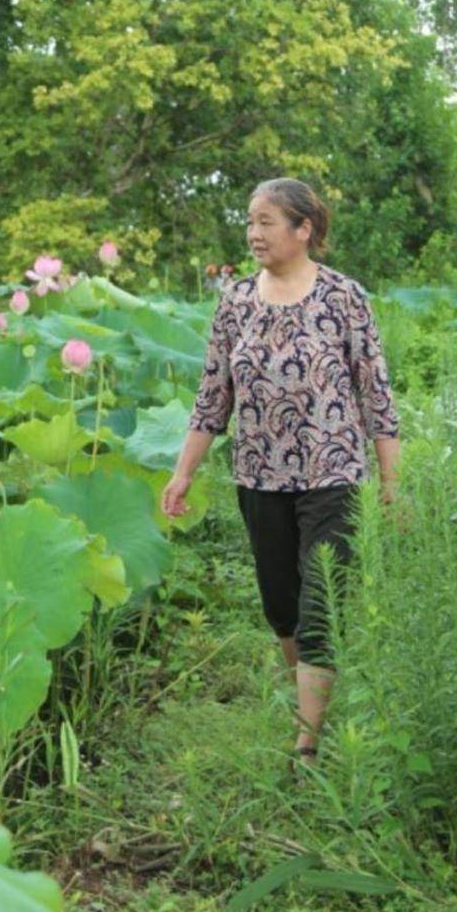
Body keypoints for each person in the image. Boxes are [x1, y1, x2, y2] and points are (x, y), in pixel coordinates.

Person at [160, 178, 400, 763]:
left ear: (304, 230)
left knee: (320, 606)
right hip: (258, 475)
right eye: (250, 221)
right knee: (281, 607)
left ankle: (307, 745)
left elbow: (376, 395)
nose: (253, 232)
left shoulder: (344, 298)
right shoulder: (236, 301)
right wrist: (183, 472)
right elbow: (213, 396)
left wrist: (392, 482)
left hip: (333, 473)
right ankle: (308, 698)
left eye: (266, 221)